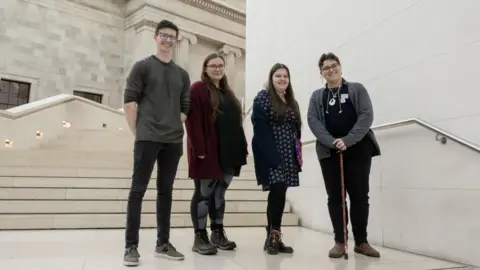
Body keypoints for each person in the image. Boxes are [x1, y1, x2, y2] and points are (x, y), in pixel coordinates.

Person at [122, 20, 190, 266]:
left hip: (173, 141)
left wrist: (171, 124)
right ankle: (131, 247)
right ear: (155, 37)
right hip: (147, 138)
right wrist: (139, 132)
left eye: (172, 36)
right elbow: (129, 102)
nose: (167, 39)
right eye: (163, 35)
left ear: (176, 40)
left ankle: (163, 243)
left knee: (166, 192)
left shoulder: (182, 74)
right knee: (137, 191)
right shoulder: (142, 67)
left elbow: (185, 108)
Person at [307, 52, 381, 258]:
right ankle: (340, 241)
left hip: (358, 149)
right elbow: (313, 120)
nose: (331, 69)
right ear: (321, 73)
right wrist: (332, 141)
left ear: (340, 67)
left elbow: (367, 115)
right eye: (326, 68)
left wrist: (347, 140)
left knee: (359, 196)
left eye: (334, 65)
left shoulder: (357, 89)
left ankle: (361, 241)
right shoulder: (316, 96)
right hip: (329, 151)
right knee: (335, 197)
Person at [185, 53, 248, 255]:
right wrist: (199, 150)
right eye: (213, 66)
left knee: (219, 193)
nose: (218, 69)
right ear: (205, 68)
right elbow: (192, 121)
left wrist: (242, 147)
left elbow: (235, 123)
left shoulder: (227, 92)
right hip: (208, 151)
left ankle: (217, 232)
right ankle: (200, 235)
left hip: (228, 152)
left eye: (221, 65)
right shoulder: (197, 89)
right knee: (204, 194)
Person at [251, 63, 302, 255]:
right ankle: (273, 236)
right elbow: (260, 129)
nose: (282, 79)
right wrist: (273, 157)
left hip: (289, 153)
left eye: (285, 76)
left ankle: (273, 237)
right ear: (271, 79)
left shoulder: (291, 101)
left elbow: (296, 129)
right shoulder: (263, 98)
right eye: (278, 76)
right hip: (270, 152)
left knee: (279, 193)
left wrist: (297, 154)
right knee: (277, 191)